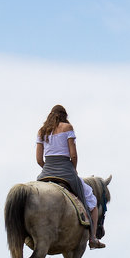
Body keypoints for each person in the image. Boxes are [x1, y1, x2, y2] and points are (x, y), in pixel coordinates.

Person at [35, 104, 105, 249]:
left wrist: (49, 169)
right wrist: (73, 169)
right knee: (92, 202)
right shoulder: (67, 128)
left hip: (46, 171)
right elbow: (73, 154)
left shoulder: (42, 132)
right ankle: (92, 239)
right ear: (64, 116)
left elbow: (39, 159)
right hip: (66, 170)